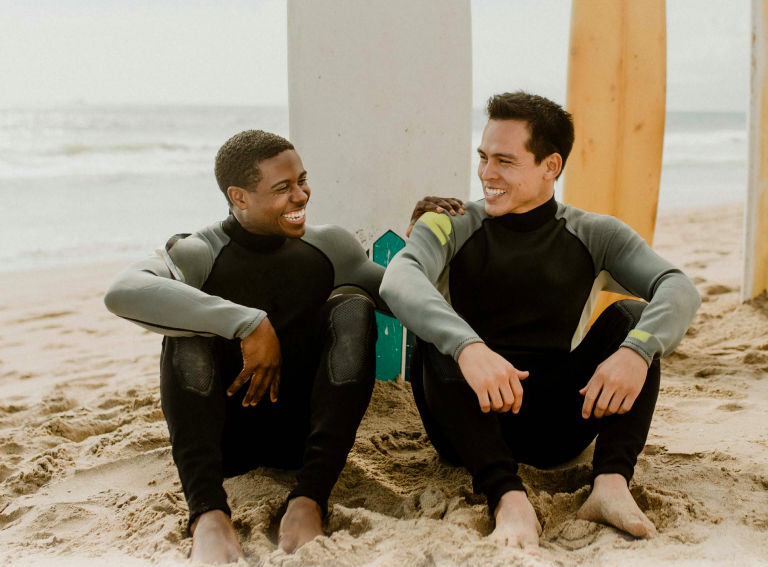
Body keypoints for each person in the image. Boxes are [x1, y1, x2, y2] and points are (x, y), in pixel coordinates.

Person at [103, 129, 465, 564]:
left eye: (302, 181)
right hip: (224, 446)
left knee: (353, 309)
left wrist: (422, 244)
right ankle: (208, 514)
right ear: (239, 197)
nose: (301, 196)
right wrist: (249, 323)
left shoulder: (330, 247)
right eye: (282, 188)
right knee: (185, 334)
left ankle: (309, 500)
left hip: (306, 440)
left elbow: (412, 300)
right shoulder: (199, 252)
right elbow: (122, 291)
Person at [380, 91, 701, 554]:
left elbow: (678, 287)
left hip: (557, 426)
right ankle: (507, 498)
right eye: (484, 157)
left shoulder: (595, 232)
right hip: (466, 418)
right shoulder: (449, 222)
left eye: (505, 162)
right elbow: (399, 281)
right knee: (437, 338)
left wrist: (634, 353)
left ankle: (610, 484)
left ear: (550, 166)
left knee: (632, 319)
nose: (487, 174)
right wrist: (469, 347)